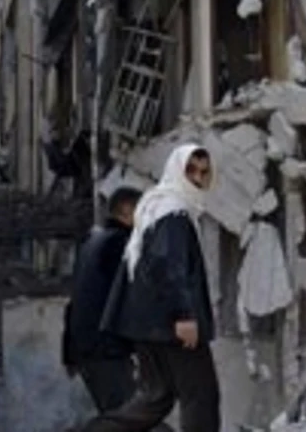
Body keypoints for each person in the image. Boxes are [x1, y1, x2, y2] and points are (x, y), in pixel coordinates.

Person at [86, 145, 218, 432]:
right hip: (172, 323)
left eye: (204, 172)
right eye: (191, 171)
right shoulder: (175, 213)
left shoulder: (156, 206)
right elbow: (168, 265)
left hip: (149, 324)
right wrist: (184, 315)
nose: (197, 179)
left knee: (155, 398)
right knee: (201, 395)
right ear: (176, 170)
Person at [63, 186, 143, 413]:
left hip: (88, 350)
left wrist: (70, 354)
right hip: (106, 350)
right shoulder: (119, 244)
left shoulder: (92, 242)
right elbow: (131, 299)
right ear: (128, 211)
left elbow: (75, 301)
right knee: (127, 417)